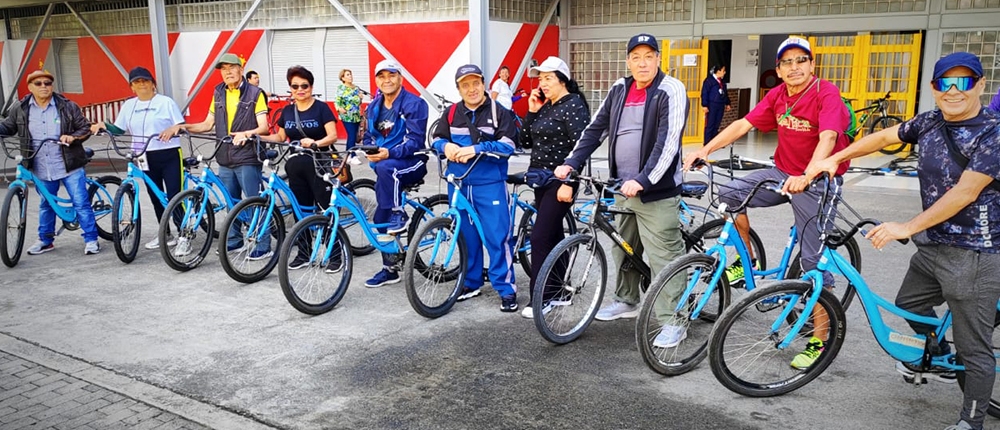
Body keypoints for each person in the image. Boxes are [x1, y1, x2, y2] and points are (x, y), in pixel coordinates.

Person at [804, 52, 1000, 430]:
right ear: (934, 88)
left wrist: (906, 226)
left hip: (975, 251)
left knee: (973, 347)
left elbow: (965, 192)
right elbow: (882, 136)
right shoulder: (930, 120)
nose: (954, 91)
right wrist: (835, 158)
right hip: (934, 243)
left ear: (979, 85)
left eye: (964, 82)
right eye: (946, 83)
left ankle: (970, 422)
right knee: (909, 302)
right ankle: (937, 352)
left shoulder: (993, 131)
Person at [684, 37, 851, 368]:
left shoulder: (825, 93)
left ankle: (820, 338)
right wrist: (706, 149)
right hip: (780, 173)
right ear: (779, 69)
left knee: (813, 266)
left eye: (800, 60)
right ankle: (747, 258)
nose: (794, 67)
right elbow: (743, 124)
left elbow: (829, 136)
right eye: (787, 62)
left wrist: (811, 172)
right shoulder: (777, 95)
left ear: (812, 64)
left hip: (817, 182)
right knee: (730, 194)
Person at [553, 33, 689, 344]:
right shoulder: (620, 88)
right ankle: (628, 300)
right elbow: (596, 129)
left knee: (663, 256)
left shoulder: (671, 89)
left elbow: (667, 144)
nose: (642, 63)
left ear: (658, 58)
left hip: (656, 191)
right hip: (621, 187)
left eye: (648, 56)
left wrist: (644, 179)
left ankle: (675, 321)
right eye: (636, 57)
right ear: (628, 60)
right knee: (623, 247)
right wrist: (572, 161)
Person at [162, 53, 270, 259]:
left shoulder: (255, 93)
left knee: (254, 201)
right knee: (231, 201)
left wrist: (246, 134)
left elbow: (264, 127)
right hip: (224, 156)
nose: (227, 72)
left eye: (231, 67)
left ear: (240, 69)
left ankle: (263, 245)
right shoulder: (218, 92)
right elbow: (207, 124)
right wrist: (182, 126)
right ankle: (235, 240)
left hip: (247, 155)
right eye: (223, 69)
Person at [431, 64, 520, 312]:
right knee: (466, 237)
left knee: (497, 237)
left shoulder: (499, 111)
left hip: (489, 184)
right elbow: (437, 138)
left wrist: (477, 149)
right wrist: (445, 147)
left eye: (475, 83)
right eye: (465, 85)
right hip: (458, 184)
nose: (471, 89)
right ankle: (471, 283)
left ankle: (506, 288)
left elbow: (509, 145)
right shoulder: (450, 113)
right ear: (458, 88)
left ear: (483, 83)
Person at [517, 56, 591, 319]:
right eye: (540, 79)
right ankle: (559, 291)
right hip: (540, 179)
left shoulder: (574, 106)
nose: (543, 83)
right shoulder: (546, 106)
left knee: (538, 238)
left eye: (548, 78)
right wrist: (532, 110)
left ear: (563, 80)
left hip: (560, 182)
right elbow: (524, 140)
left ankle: (542, 297)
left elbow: (581, 148)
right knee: (552, 235)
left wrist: (570, 182)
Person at [0, 70, 98, 255]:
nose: (44, 86)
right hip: (40, 165)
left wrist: (72, 137)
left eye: (47, 83)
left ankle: (91, 239)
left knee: (81, 203)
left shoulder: (67, 106)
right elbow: (8, 126)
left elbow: (85, 127)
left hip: (68, 163)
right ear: (29, 87)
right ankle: (46, 240)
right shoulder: (20, 107)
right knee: (46, 204)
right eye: (38, 84)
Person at [90, 66, 185, 250]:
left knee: (174, 196)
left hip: (168, 154)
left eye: (145, 81)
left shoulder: (165, 102)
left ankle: (184, 236)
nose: (141, 84)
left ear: (153, 84)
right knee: (155, 197)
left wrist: (172, 129)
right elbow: (119, 129)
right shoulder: (129, 105)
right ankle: (165, 234)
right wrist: (105, 125)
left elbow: (180, 125)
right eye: (137, 82)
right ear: (131, 86)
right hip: (144, 157)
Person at [361, 59, 429, 287]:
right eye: (381, 76)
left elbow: (415, 140)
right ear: (376, 80)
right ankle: (390, 269)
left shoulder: (415, 104)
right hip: (384, 167)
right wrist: (369, 150)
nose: (386, 80)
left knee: (386, 168)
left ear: (400, 77)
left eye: (391, 75)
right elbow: (369, 136)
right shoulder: (373, 106)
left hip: (413, 161)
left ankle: (399, 212)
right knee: (380, 218)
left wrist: (387, 153)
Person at [334, 69, 366, 150]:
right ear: (343, 78)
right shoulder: (341, 88)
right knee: (351, 134)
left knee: (354, 135)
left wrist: (360, 98)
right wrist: (338, 108)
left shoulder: (355, 88)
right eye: (348, 75)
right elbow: (337, 100)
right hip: (347, 115)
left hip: (356, 115)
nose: (350, 76)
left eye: (351, 74)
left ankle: (348, 153)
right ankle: (352, 155)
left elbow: (358, 102)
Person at [701, 64, 731, 145]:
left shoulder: (722, 82)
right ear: (718, 71)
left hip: (720, 104)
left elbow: (725, 93)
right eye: (723, 71)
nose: (724, 73)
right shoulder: (709, 81)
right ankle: (707, 143)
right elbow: (704, 93)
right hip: (712, 105)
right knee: (710, 124)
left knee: (717, 124)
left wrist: (728, 103)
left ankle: (714, 142)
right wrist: (704, 105)